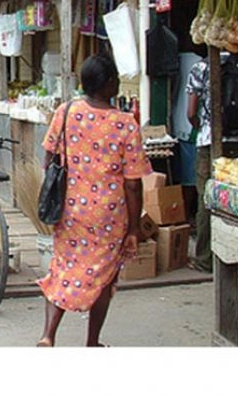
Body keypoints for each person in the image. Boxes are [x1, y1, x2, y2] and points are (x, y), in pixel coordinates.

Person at [37, 54, 152, 347]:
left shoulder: (66, 111)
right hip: (109, 215)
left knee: (63, 268)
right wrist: (135, 228)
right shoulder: (126, 124)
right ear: (111, 83)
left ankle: (48, 335)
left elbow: (49, 155)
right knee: (104, 277)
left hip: (70, 210)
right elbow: (133, 184)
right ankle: (91, 343)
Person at [186, 51, 238, 272]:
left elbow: (190, 112)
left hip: (209, 142)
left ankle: (205, 258)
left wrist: (203, 128)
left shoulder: (200, 68)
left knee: (207, 198)